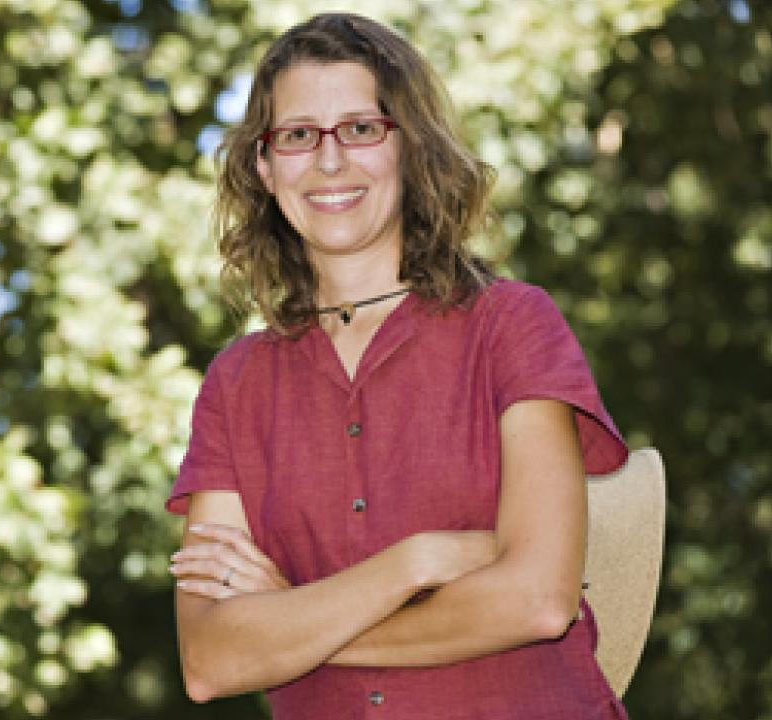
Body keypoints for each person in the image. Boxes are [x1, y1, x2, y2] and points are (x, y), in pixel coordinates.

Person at [165, 13, 631, 719]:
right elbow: (211, 660)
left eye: (360, 129)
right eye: (296, 136)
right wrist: (414, 564)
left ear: (409, 148)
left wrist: (293, 620)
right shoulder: (236, 385)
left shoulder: (511, 325)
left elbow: (537, 600)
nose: (328, 162)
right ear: (264, 166)